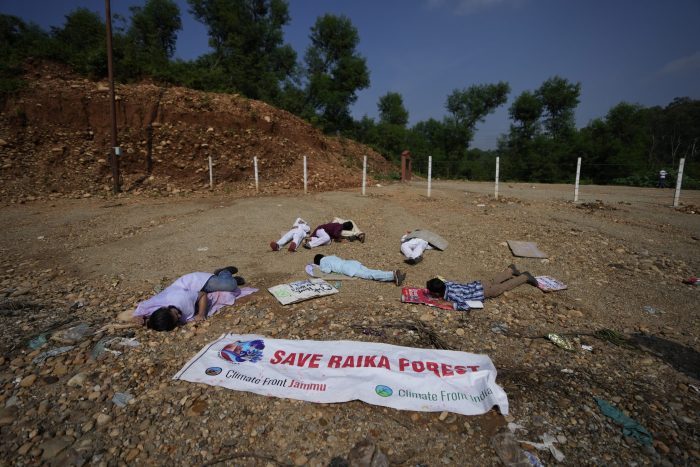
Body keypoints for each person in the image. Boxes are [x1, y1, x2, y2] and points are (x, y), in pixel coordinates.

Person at [130, 267, 250, 332]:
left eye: (175, 314)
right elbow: (143, 309)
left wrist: (201, 314)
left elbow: (202, 295)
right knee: (226, 291)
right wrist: (138, 316)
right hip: (191, 293)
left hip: (198, 283)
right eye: (176, 320)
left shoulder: (180, 300)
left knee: (230, 286)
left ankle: (224, 272)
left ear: (166, 308)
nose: (178, 317)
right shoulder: (156, 310)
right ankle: (226, 280)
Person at [426, 265, 538, 311]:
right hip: (479, 284)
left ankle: (525, 277)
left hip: (485, 292)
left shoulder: (451, 295)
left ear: (437, 293)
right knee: (494, 281)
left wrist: (450, 304)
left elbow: (465, 305)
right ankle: (510, 270)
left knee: (504, 286)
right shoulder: (447, 284)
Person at [314, 254, 406, 286]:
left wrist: (320, 268)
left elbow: (327, 270)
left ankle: (393, 275)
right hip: (351, 263)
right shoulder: (330, 256)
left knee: (369, 275)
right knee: (371, 271)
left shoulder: (322, 262)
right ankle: (392, 274)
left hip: (347, 268)